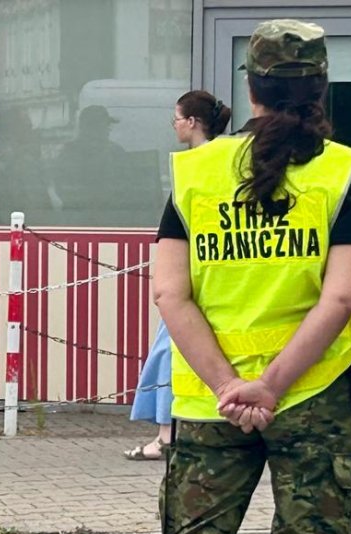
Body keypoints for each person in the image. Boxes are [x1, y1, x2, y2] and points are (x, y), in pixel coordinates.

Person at [154, 20, 351, 534]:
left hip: (209, 399)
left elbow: (170, 294)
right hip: (313, 394)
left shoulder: (193, 171)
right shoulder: (344, 172)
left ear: (251, 89)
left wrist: (228, 384)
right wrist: (269, 386)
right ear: (320, 86)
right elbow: (341, 300)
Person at [124, 91, 231, 461]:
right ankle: (170, 431)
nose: (174, 125)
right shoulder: (226, 162)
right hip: (210, 274)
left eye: (176, 118)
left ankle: (167, 433)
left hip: (191, 276)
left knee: (170, 350)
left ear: (191, 122)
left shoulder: (194, 169)